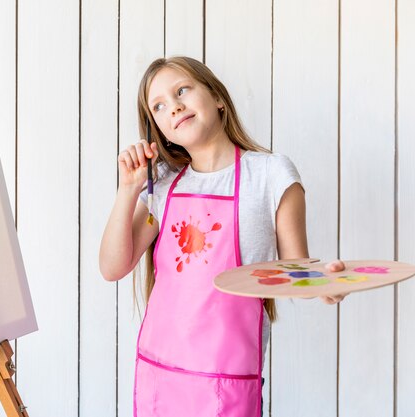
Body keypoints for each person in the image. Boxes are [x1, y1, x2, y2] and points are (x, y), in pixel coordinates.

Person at [99, 56, 345, 417]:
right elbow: (112, 267)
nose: (175, 106)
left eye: (182, 90)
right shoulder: (162, 186)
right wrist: (128, 190)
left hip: (228, 381)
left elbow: (298, 272)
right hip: (159, 375)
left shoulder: (271, 175)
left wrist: (325, 284)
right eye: (159, 106)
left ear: (216, 96)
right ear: (160, 130)